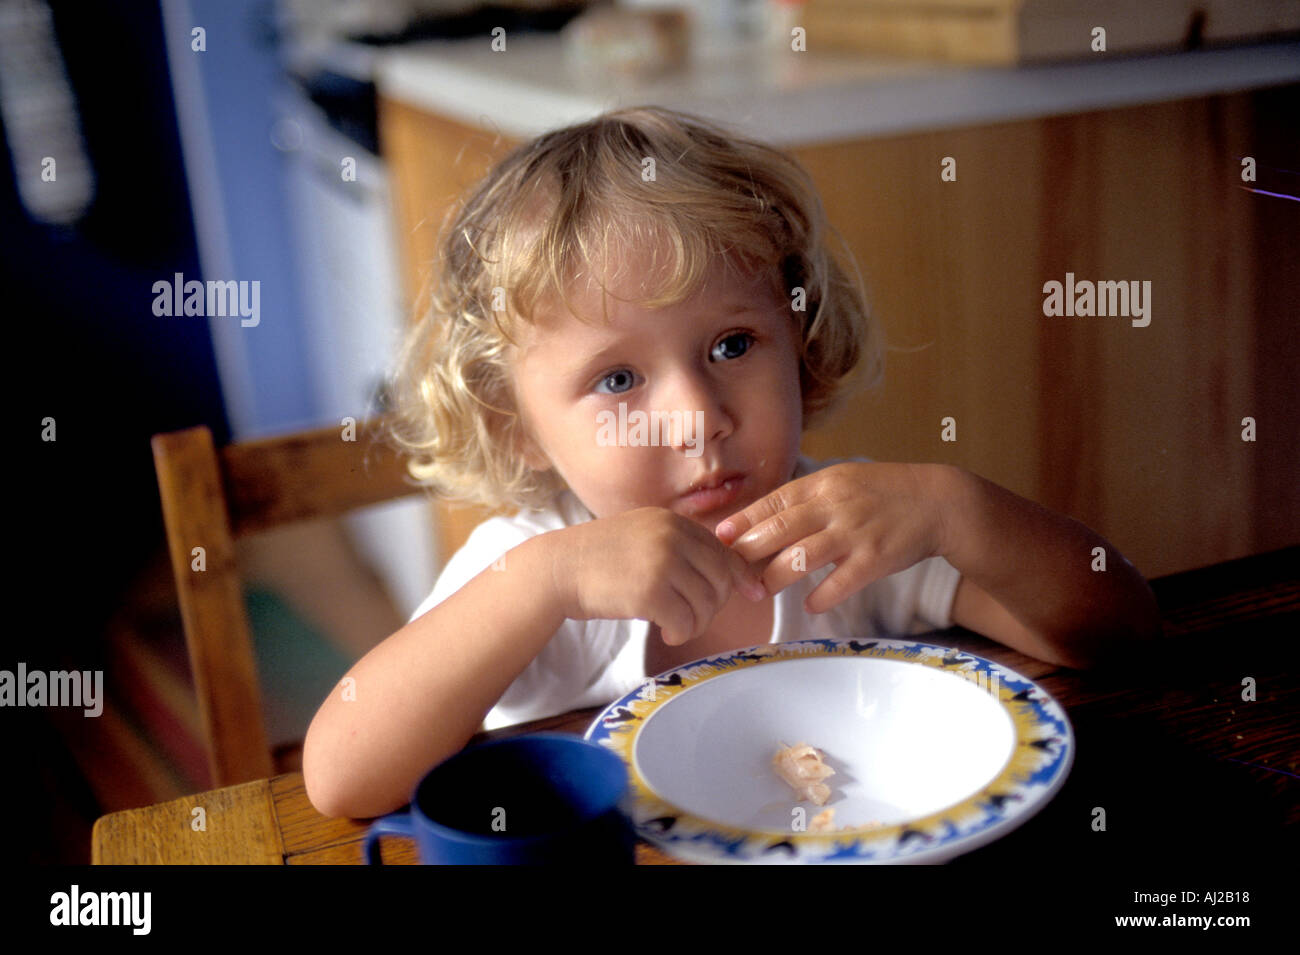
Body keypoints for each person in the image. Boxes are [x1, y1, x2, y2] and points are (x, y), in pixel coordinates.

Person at [302, 106, 1161, 820]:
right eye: (617, 377)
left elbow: (1120, 634)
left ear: (801, 339)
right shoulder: (529, 566)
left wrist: (959, 509)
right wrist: (539, 585)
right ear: (516, 423)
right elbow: (342, 777)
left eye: (732, 342)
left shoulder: (854, 531)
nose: (698, 416)